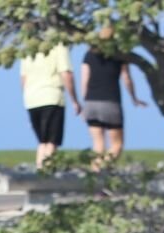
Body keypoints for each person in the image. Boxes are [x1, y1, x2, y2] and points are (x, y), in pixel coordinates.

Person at [82, 27, 147, 169]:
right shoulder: (120, 55)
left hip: (91, 102)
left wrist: (84, 103)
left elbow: (84, 80)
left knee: (98, 144)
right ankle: (103, 169)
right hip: (111, 102)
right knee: (117, 144)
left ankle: (95, 173)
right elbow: (126, 78)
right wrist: (134, 97)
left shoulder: (88, 54)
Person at [20, 44, 82, 168]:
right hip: (51, 96)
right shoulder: (59, 47)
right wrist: (74, 100)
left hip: (31, 99)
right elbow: (66, 74)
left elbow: (23, 78)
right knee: (52, 141)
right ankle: (46, 171)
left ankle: (40, 168)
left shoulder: (28, 48)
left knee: (42, 141)